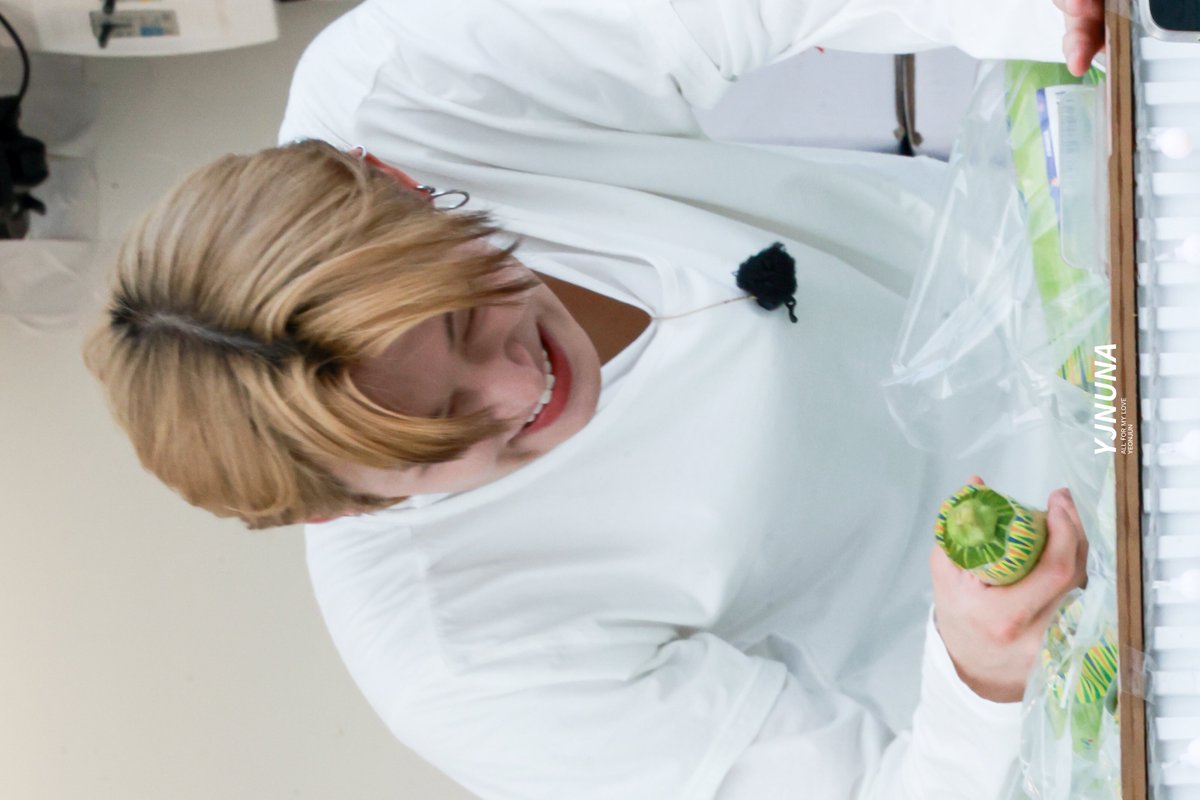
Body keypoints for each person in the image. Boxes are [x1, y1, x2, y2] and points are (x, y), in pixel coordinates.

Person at [84, 1, 1107, 798]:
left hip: (1102, 255)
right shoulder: (457, 659)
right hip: (1096, 602)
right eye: (447, 435)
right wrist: (982, 676)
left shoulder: (405, 83)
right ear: (345, 507)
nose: (520, 387)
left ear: (396, 179)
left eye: (465, 316)